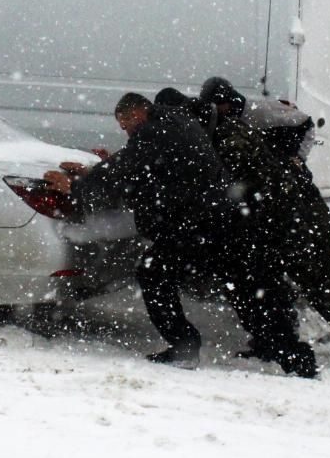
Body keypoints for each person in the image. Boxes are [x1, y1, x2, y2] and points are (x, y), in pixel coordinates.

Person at [48, 92, 313, 374]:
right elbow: (140, 167)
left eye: (124, 124)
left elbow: (127, 169)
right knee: (246, 285)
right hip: (220, 219)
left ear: (137, 114)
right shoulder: (174, 121)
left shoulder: (154, 131)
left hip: (198, 224)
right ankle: (290, 353)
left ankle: (187, 346)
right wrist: (95, 171)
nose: (124, 131)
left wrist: (76, 187)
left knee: (154, 271)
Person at [194, 77, 330, 372]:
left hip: (298, 218)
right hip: (293, 213)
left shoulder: (256, 119)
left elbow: (305, 126)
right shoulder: (239, 133)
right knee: (276, 282)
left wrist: (296, 159)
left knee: (323, 287)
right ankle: (272, 343)